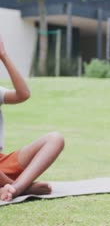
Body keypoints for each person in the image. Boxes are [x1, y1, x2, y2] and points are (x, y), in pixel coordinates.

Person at [0, 34, 65, 202]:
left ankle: (15, 188)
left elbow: (23, 94)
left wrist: (4, 56)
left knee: (55, 138)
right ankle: (24, 188)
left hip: (2, 163)